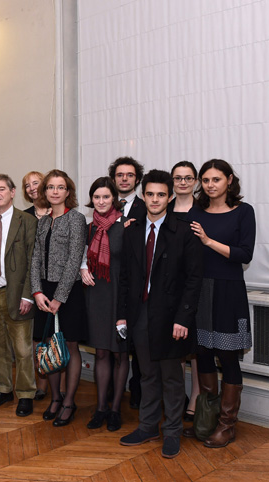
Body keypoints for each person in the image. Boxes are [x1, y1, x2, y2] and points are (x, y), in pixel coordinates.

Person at [118, 169, 203, 459]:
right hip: (140, 313)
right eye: (150, 194)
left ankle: (173, 432)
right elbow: (125, 278)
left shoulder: (184, 230)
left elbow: (193, 280)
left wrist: (183, 319)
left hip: (170, 317)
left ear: (169, 197)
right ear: (143, 196)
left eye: (161, 194)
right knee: (147, 375)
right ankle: (148, 426)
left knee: (171, 378)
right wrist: (122, 315)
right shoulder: (131, 230)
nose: (155, 199)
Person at [185, 159, 255, 448]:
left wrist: (208, 240)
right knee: (201, 354)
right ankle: (207, 419)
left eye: (216, 179)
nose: (210, 185)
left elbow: (244, 254)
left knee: (227, 357)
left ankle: (227, 426)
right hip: (199, 291)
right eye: (206, 180)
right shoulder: (195, 211)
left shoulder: (243, 211)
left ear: (229, 180)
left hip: (228, 291)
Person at [30, 169, 88, 427]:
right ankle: (55, 398)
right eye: (50, 187)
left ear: (68, 192)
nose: (55, 191)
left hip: (69, 293)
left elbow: (75, 259)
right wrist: (37, 291)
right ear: (45, 192)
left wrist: (60, 297)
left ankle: (69, 402)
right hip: (44, 292)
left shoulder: (76, 219)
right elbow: (35, 259)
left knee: (70, 346)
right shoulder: (42, 221)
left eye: (60, 187)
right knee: (47, 345)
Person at [0, 174, 37, 417]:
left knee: (22, 349)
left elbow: (33, 261)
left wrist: (28, 296)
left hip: (17, 295)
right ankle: (3, 388)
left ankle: (25, 393)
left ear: (13, 192)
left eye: (1, 189)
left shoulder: (27, 221)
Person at [80, 177, 128, 432]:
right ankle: (100, 408)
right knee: (100, 352)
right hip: (96, 296)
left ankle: (116, 409)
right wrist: (82, 268)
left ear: (114, 199)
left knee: (120, 353)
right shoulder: (88, 228)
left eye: (106, 197)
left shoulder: (127, 226)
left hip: (120, 297)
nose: (100, 202)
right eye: (96, 197)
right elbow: (81, 256)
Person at [108, 156, 145, 409]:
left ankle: (139, 392)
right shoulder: (104, 207)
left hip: (136, 284)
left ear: (137, 179)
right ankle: (111, 393)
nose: (124, 179)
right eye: (120, 175)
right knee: (111, 343)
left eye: (129, 175)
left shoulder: (147, 207)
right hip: (108, 284)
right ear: (113, 179)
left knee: (138, 343)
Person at [168, 160, 200, 422]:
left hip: (196, 285)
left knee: (196, 348)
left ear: (195, 182)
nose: (183, 182)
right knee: (175, 347)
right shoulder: (162, 209)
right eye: (178, 178)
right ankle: (179, 398)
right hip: (168, 289)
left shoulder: (203, 210)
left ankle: (197, 398)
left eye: (188, 178)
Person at [21, 170, 51, 400]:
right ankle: (41, 384)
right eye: (27, 185)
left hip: (56, 282)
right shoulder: (24, 217)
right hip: (34, 283)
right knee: (38, 337)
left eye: (36, 183)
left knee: (57, 335)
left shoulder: (58, 211)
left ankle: (58, 385)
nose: (32, 187)